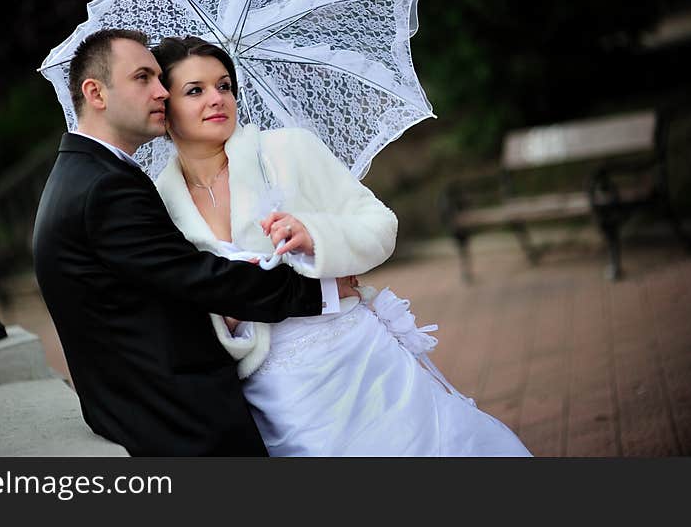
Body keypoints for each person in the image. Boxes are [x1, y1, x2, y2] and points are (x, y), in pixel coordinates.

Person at [152, 35, 532, 456]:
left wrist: (317, 236)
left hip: (357, 359)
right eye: (195, 91)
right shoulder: (157, 203)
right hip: (275, 393)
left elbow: (380, 225)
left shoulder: (287, 149)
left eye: (224, 85)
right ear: (162, 109)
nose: (217, 99)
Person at [32, 28, 357, 456]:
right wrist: (317, 290)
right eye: (143, 78)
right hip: (178, 421)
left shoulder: (90, 174)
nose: (161, 91)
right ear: (96, 93)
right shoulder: (102, 187)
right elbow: (199, 278)